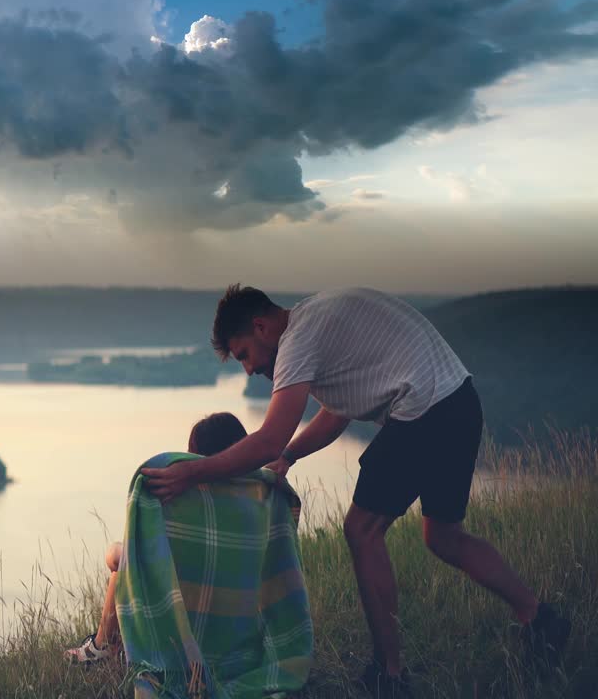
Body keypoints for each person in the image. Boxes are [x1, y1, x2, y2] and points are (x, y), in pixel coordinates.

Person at [139, 285, 571, 698]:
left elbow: (268, 437)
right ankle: (539, 618)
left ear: (261, 326)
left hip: (425, 410)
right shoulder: (317, 323)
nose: (249, 369)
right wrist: (290, 456)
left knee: (362, 530)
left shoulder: (298, 339)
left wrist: (196, 474)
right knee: (442, 535)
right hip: (459, 401)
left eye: (244, 355)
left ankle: (390, 676)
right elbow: (335, 413)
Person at [64, 411, 249, 665]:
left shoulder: (188, 503)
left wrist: (114, 553)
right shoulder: (259, 500)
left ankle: (100, 647)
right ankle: (102, 647)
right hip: (241, 620)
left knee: (122, 562)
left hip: (186, 614)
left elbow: (134, 557)